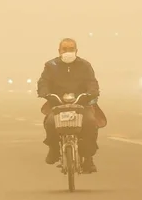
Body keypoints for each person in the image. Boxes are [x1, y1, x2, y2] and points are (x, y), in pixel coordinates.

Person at [37, 38, 104, 173]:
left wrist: (91, 93)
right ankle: (54, 150)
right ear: (59, 51)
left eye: (71, 49)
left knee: (90, 124)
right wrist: (45, 93)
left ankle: (88, 158)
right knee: (50, 123)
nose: (68, 52)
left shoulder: (85, 65)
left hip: (81, 104)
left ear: (76, 51)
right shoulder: (51, 65)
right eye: (65, 49)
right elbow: (43, 82)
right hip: (58, 105)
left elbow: (92, 82)